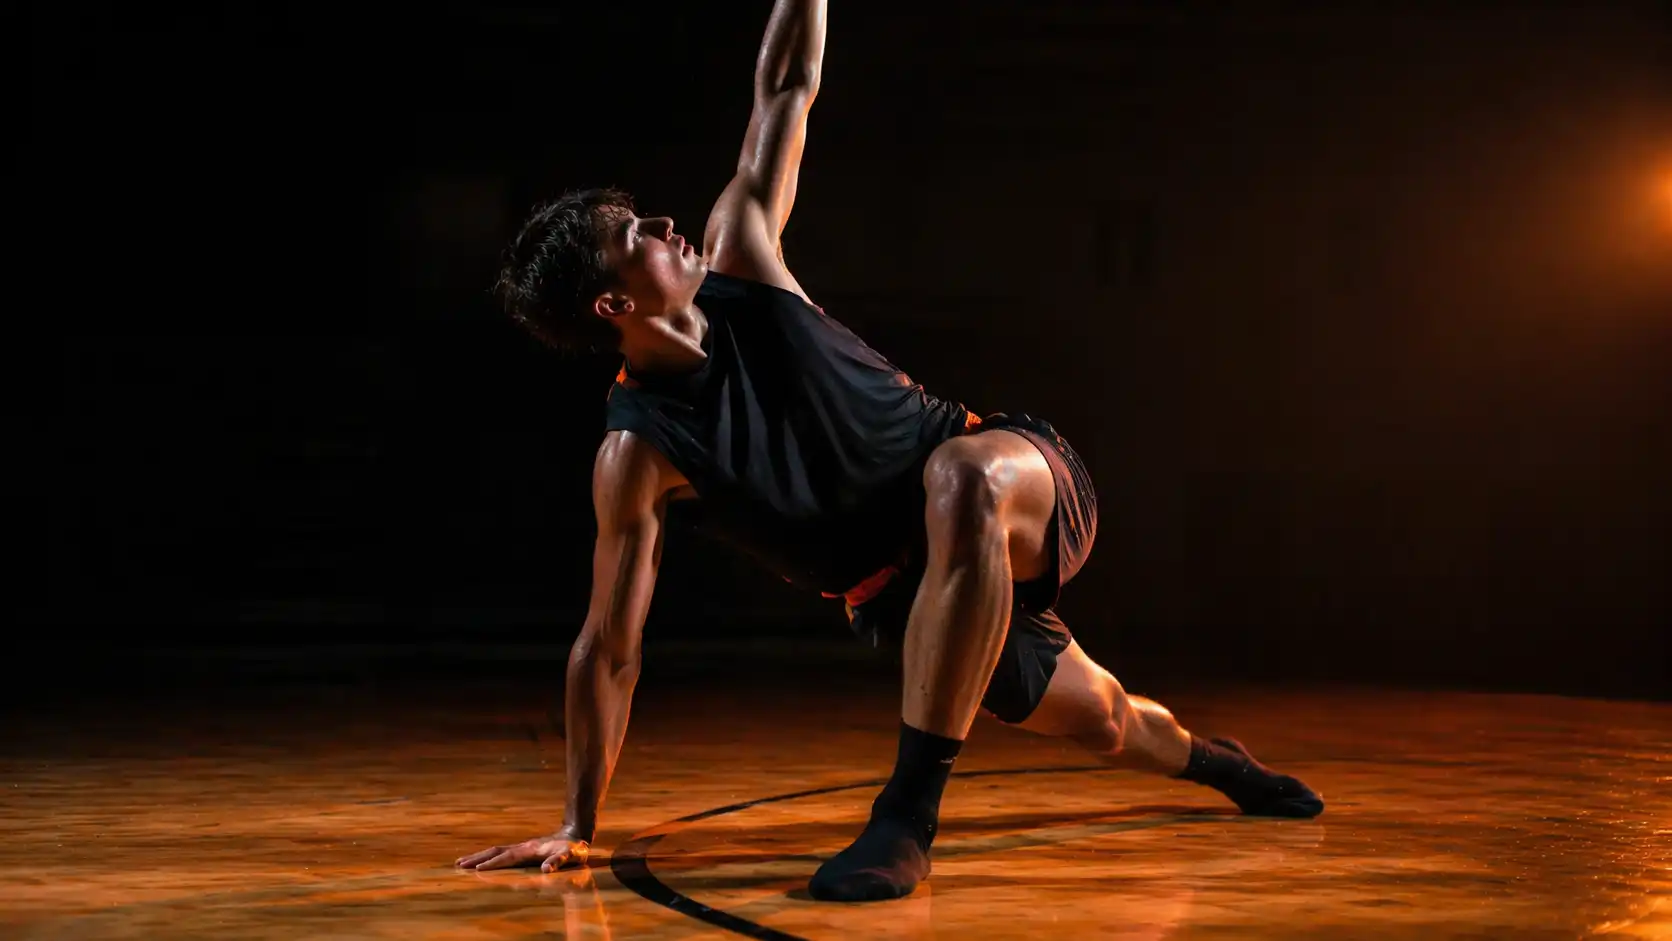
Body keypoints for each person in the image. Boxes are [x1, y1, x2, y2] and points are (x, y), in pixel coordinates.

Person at [455, 0, 1323, 902]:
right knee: (1108, 720)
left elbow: (787, 84)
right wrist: (576, 823)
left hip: (1011, 473)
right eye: (633, 235)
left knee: (960, 478)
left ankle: (906, 816)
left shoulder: (742, 252)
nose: (661, 225)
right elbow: (608, 647)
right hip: (918, 596)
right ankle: (1226, 767)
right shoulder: (638, 451)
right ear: (612, 305)